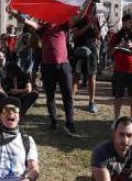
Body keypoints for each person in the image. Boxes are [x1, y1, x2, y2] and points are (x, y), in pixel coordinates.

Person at [9, 8, 81, 137]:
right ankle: (53, 120)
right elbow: (26, 21)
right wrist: (13, 13)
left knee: (68, 95)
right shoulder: (42, 28)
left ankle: (70, 123)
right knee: (50, 95)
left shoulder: (62, 25)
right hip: (48, 66)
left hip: (64, 65)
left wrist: (89, 0)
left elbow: (78, 17)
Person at [107, 13, 132, 120]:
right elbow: (109, 53)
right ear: (123, 23)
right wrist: (118, 46)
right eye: (130, 23)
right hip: (119, 70)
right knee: (118, 96)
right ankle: (116, 119)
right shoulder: (115, 36)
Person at [70, 6, 101, 113]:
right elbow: (75, 34)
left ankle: (92, 102)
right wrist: (88, 25)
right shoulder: (77, 18)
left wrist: (94, 25)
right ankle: (71, 101)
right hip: (79, 49)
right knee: (76, 76)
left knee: (92, 76)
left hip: (91, 50)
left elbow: (98, 35)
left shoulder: (95, 19)